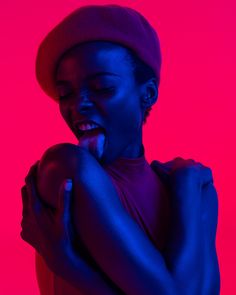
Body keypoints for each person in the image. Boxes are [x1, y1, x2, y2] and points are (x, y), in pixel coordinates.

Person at [20, 4, 220, 295]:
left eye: (102, 88)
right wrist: (187, 196)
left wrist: (70, 265)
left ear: (148, 94)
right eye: (66, 94)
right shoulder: (65, 169)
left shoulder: (193, 189)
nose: (79, 105)